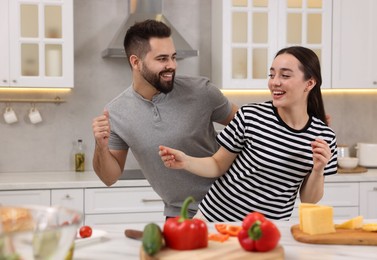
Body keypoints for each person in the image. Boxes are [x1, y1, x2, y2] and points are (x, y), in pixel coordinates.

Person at [159, 46, 338, 221]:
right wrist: (186, 161)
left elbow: (309, 200)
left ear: (310, 83)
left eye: (285, 75)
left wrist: (318, 169)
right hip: (216, 219)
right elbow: (217, 164)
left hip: (267, 230)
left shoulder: (323, 137)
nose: (275, 82)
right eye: (272, 74)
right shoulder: (251, 116)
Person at [92, 19, 238, 218]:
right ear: (135, 62)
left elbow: (251, 126)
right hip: (179, 215)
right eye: (162, 59)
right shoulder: (116, 112)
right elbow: (110, 178)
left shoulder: (202, 92)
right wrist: (100, 147)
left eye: (173, 57)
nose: (172, 65)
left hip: (229, 208)